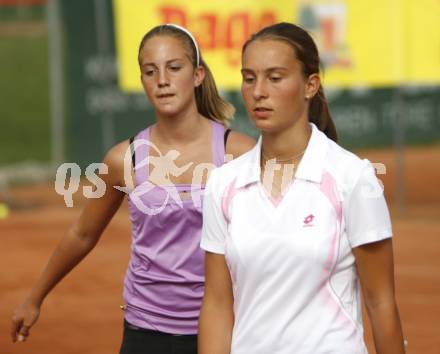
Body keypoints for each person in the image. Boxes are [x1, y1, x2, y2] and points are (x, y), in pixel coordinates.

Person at [11, 24, 255, 354]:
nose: (163, 80)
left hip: (223, 328)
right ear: (141, 82)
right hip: (146, 331)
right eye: (150, 71)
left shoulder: (239, 153)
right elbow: (83, 233)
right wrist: (34, 297)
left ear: (197, 75)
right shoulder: (122, 159)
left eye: (174, 68)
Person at [198, 22, 405, 354]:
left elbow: (381, 302)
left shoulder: (353, 177)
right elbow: (217, 305)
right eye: (249, 78)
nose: (258, 91)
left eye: (275, 78)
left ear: (311, 84)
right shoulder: (223, 183)